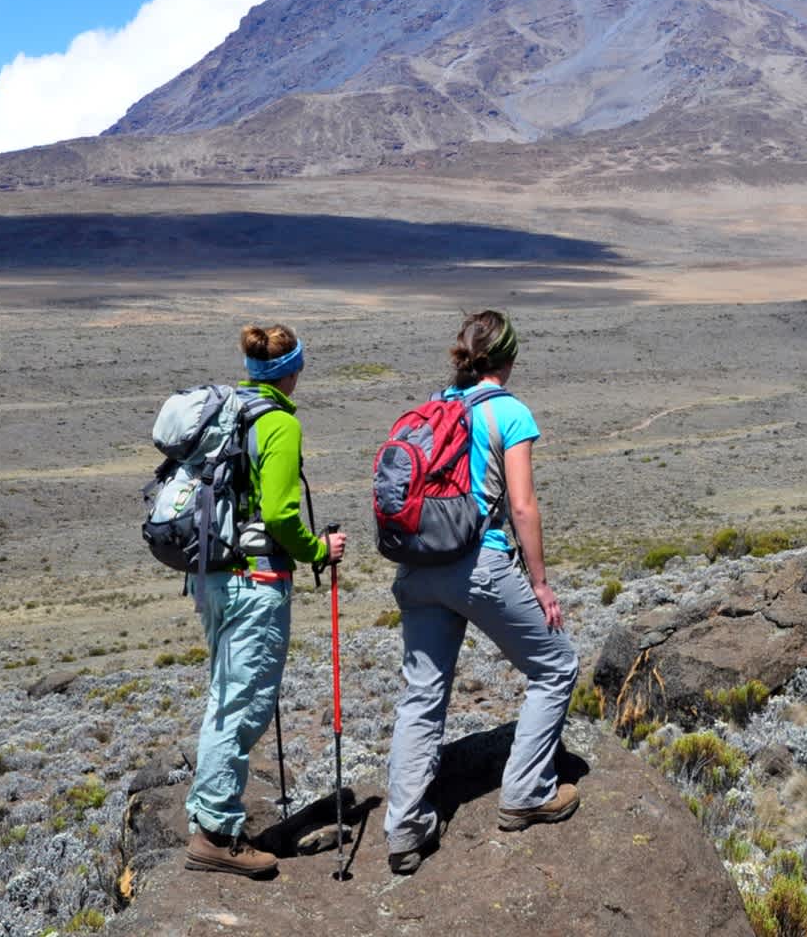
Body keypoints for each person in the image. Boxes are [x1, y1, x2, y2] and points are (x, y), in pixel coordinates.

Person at [385, 309, 580, 875]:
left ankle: (404, 829)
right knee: (557, 666)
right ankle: (526, 792)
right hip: (479, 565)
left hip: (418, 569)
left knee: (422, 696)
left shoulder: (436, 405)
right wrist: (540, 584)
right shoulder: (508, 412)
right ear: (509, 358)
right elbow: (522, 506)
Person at [184, 324, 347, 878]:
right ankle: (216, 835)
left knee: (224, 697)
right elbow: (279, 514)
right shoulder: (277, 424)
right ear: (292, 371)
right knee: (242, 705)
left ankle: (211, 820)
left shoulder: (229, 412)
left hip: (213, 578)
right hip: (255, 582)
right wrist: (318, 548)